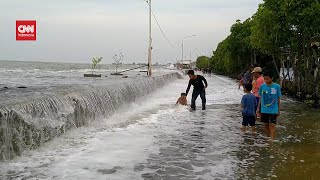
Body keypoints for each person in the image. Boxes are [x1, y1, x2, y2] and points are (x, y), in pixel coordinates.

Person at [256, 71, 282, 141]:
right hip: (264, 109)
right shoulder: (262, 86)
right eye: (265, 79)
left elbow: (278, 98)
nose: (266, 81)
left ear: (271, 78)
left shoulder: (277, 86)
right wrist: (258, 108)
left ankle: (272, 140)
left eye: (267, 79)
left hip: (274, 109)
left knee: (272, 125)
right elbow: (260, 98)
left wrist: (279, 110)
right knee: (266, 125)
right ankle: (268, 137)